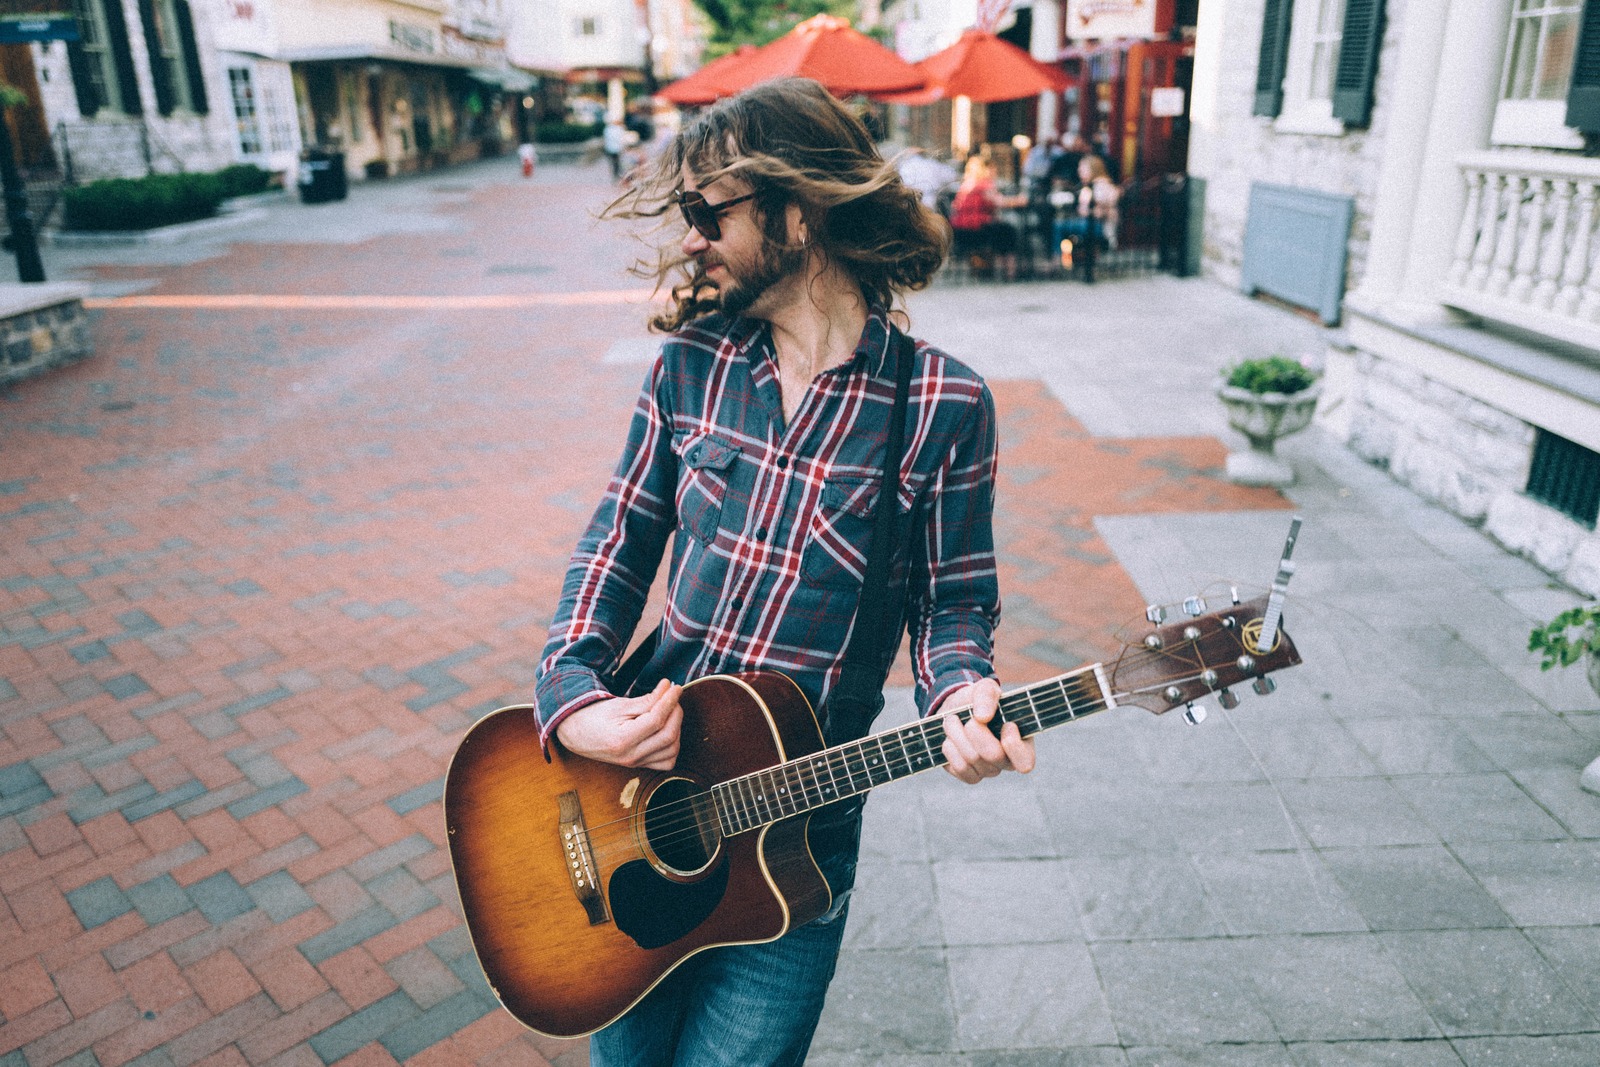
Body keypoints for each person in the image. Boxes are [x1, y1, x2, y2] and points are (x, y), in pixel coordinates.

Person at [536, 76, 1034, 1066]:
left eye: (705, 213)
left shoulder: (942, 401)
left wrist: (958, 689)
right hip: (629, 811)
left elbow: (953, 600)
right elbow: (616, 543)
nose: (690, 238)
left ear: (796, 213)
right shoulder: (692, 366)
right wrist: (571, 696)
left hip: (789, 860)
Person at [948, 155, 1027, 280]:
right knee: (1008, 231)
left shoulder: (966, 184)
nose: (995, 171)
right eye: (993, 168)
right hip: (976, 230)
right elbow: (999, 202)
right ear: (985, 169)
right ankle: (1010, 273)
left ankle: (990, 271)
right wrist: (1020, 200)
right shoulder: (984, 184)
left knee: (1001, 228)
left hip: (959, 231)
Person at [1052, 154, 1121, 283]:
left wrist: (1087, 210)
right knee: (1062, 224)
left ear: (1092, 169)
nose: (1079, 172)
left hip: (1100, 227)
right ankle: (1064, 260)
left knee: (1059, 225)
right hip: (1096, 225)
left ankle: (1058, 260)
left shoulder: (1099, 186)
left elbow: (1101, 211)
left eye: (1082, 169)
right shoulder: (1098, 185)